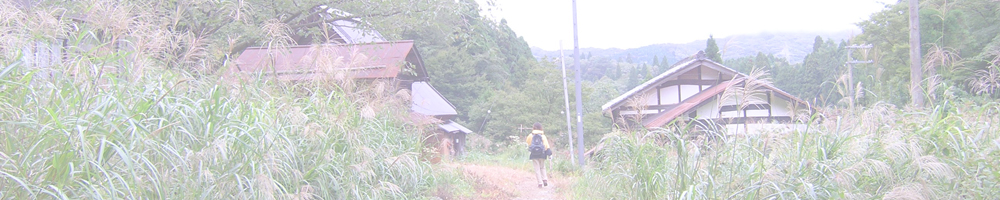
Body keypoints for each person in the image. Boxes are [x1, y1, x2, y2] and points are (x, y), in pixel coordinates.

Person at [525, 122, 551, 188]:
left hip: (534, 154)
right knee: (542, 167)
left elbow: (528, 142)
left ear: (533, 128)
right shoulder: (543, 135)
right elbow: (546, 145)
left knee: (537, 168)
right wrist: (548, 151)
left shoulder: (531, 135)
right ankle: (544, 179)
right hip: (542, 153)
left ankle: (540, 183)